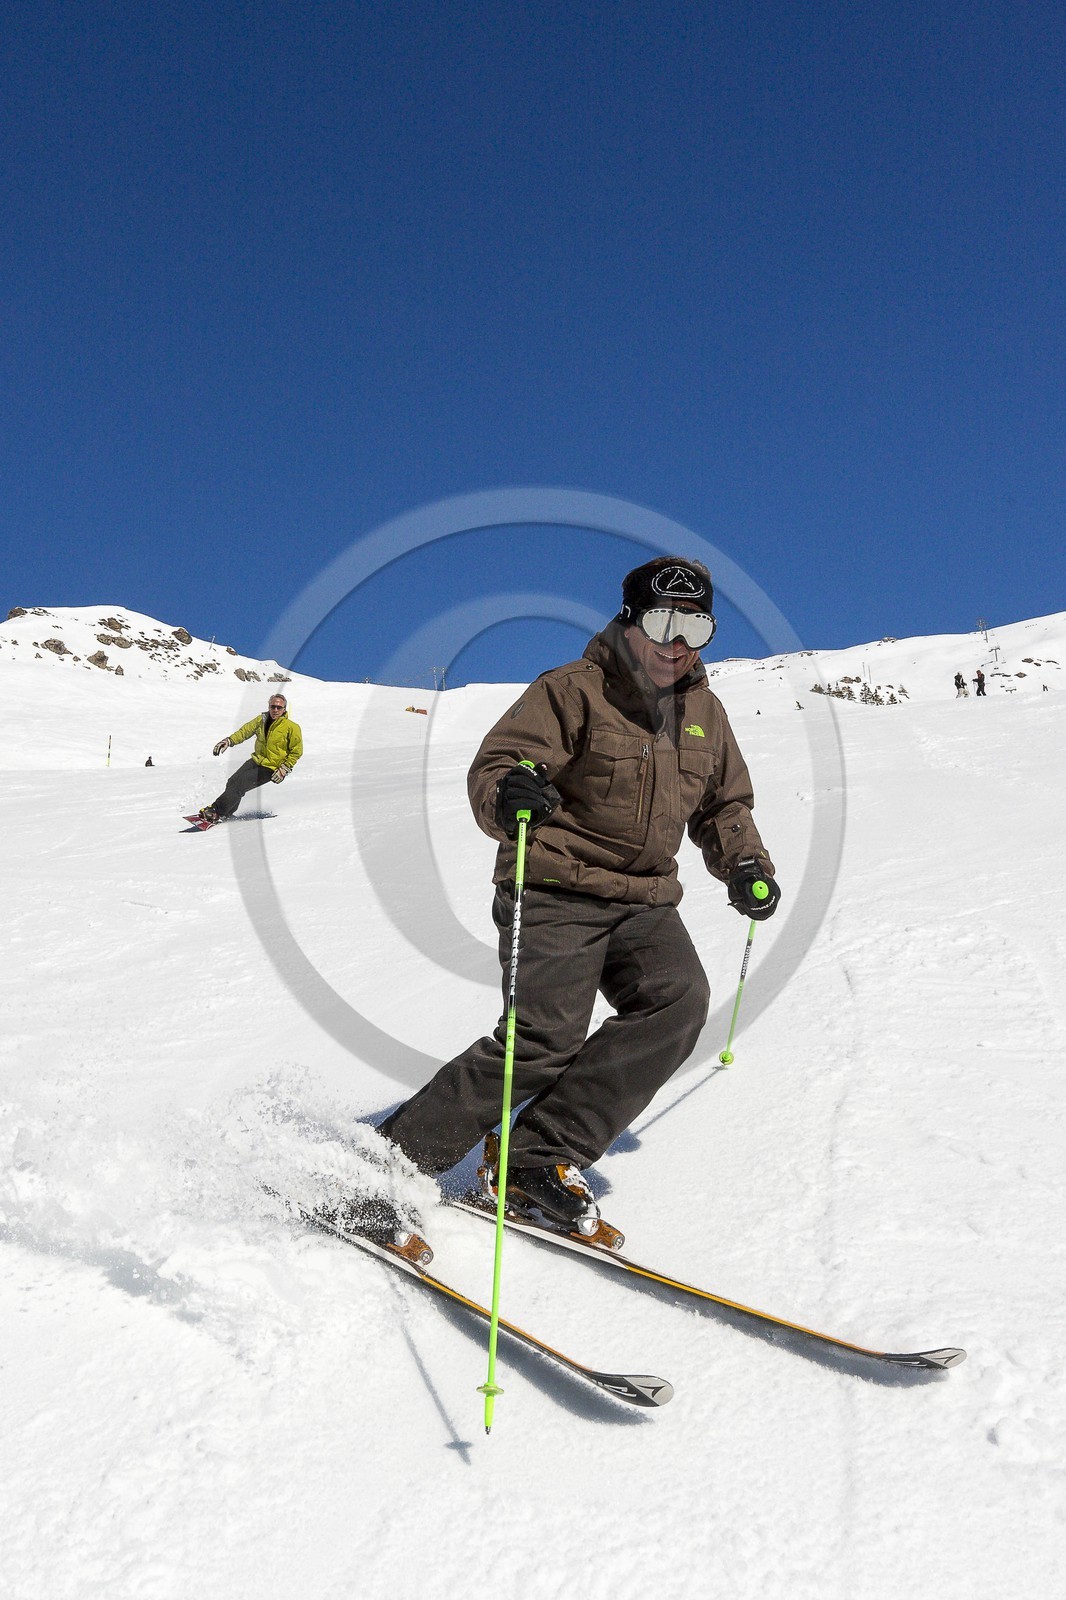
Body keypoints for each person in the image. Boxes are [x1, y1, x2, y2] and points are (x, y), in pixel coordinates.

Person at [380, 556, 779, 1235]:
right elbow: (500, 763)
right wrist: (510, 795)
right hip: (554, 883)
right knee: (541, 1040)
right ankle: (384, 1166)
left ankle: (537, 1157)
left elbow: (723, 805)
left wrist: (744, 862)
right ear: (630, 621)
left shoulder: (706, 715)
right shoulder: (572, 690)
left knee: (678, 1002)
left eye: (695, 626)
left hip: (645, 899)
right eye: (661, 621)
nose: (675, 642)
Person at [199, 693, 303, 822]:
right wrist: (228, 741)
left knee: (241, 783)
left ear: (284, 710)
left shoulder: (292, 727)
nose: (275, 710)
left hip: (272, 767)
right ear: (269, 707)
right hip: (256, 760)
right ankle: (227, 813)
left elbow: (296, 751)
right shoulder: (261, 720)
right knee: (232, 781)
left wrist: (284, 768)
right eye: (273, 707)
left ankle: (216, 811)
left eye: (279, 707)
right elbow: (245, 731)